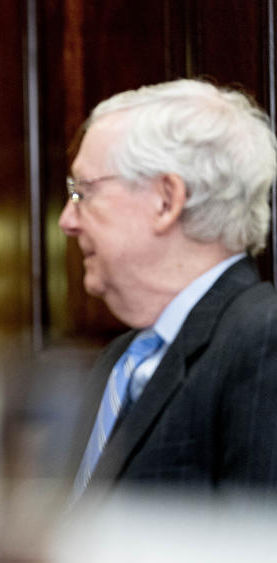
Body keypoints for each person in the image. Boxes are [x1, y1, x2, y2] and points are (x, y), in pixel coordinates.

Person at [59, 78, 277, 500]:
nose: (67, 220)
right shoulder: (119, 358)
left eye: (83, 191)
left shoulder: (264, 340)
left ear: (165, 199)